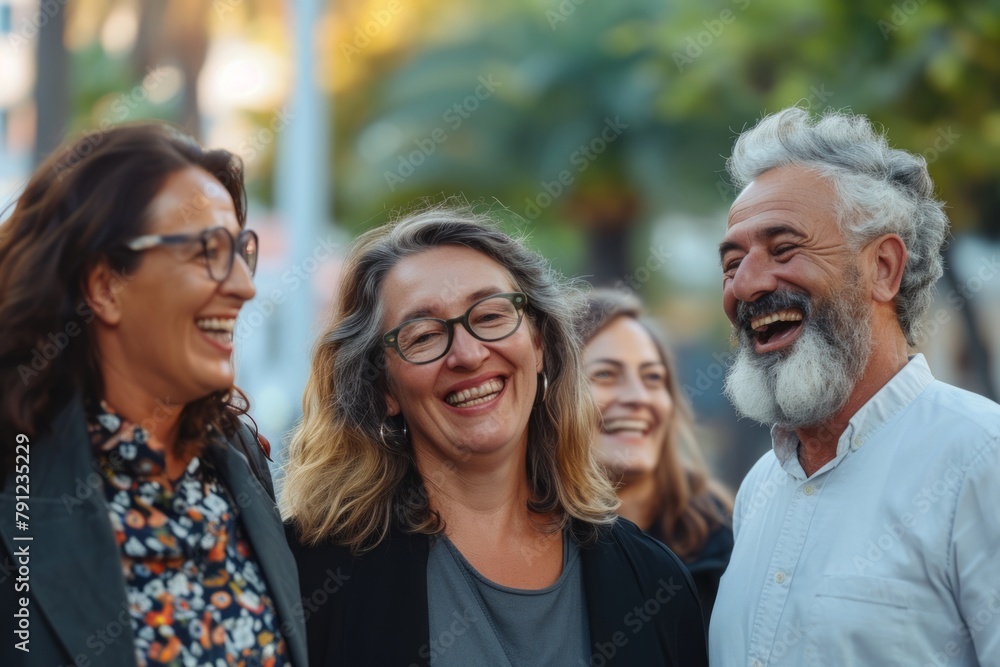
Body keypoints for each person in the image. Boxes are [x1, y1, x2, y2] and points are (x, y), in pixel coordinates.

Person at [282, 206, 708, 666]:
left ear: (540, 345)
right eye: (423, 335)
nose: (467, 354)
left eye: (489, 315)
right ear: (385, 388)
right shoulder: (310, 580)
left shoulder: (655, 583)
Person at [0, 124, 306, 667]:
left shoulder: (238, 458)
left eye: (241, 251)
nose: (244, 285)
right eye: (208, 251)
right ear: (105, 285)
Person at [711, 107, 1000, 665]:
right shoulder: (760, 488)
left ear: (884, 268)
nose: (746, 285)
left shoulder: (981, 460)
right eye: (731, 262)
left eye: (784, 248)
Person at [578, 288, 733, 624]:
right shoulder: (527, 557)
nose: (638, 397)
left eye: (652, 378)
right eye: (605, 374)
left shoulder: (734, 544)